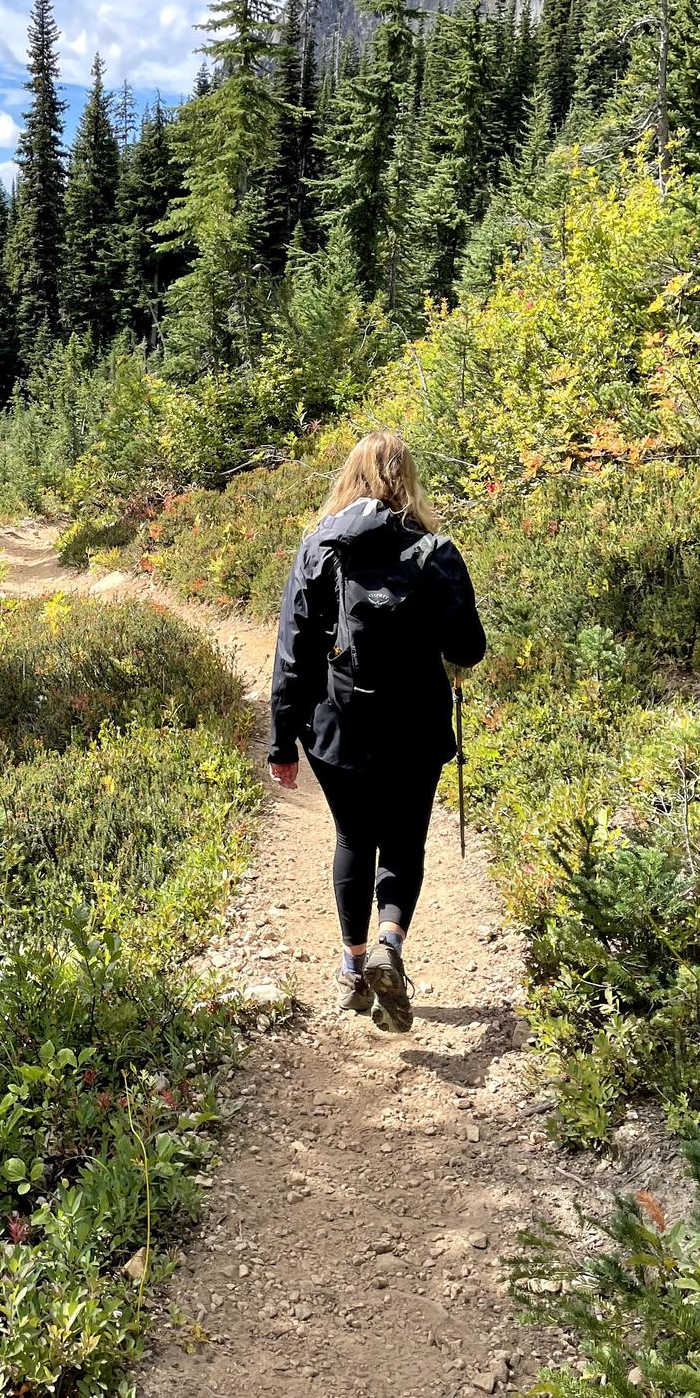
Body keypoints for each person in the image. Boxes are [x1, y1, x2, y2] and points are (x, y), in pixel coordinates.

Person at [267, 431, 486, 1031]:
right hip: (415, 727)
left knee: (353, 837)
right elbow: (469, 646)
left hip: (338, 729)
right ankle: (390, 940)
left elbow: (293, 655)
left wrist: (282, 741)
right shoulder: (435, 551)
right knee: (405, 840)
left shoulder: (319, 549)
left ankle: (352, 966)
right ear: (407, 480)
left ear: (351, 477)